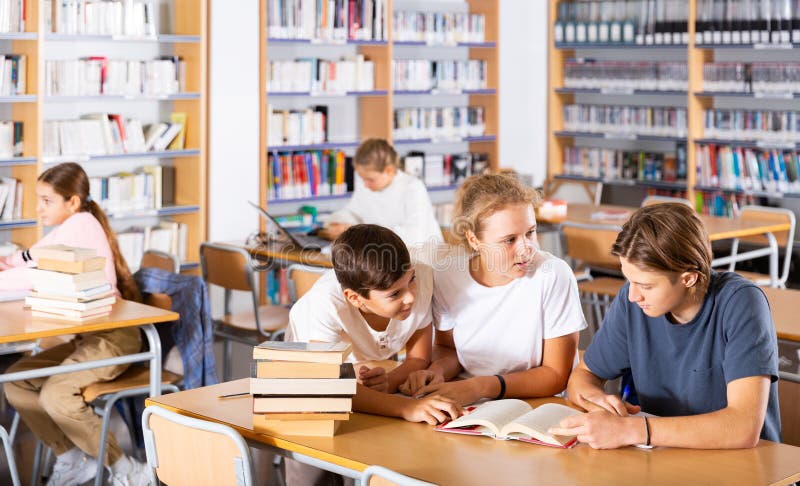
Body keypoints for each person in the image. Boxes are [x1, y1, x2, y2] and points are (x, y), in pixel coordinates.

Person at [550, 203, 780, 449]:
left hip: (747, 467)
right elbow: (583, 376)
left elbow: (742, 427)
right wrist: (598, 401)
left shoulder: (741, 302)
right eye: (629, 280)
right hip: (665, 457)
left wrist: (630, 430)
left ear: (689, 278)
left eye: (646, 286)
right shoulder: (635, 302)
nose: (632, 295)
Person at [2, 163, 151, 485]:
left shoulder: (81, 223)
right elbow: (34, 256)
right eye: (38, 199)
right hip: (89, 338)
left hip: (115, 338)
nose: (38, 208)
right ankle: (70, 456)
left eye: (46, 201)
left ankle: (127, 468)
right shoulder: (72, 225)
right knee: (16, 381)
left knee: (56, 395)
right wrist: (8, 261)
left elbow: (36, 269)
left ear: (72, 202)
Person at [285, 224, 461, 486]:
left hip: (362, 359)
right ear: (355, 298)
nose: (410, 297)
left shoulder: (421, 278)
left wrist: (389, 382)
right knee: (311, 460)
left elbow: (418, 358)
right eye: (395, 294)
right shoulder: (325, 304)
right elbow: (327, 386)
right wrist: (406, 407)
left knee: (364, 443)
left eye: (410, 280)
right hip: (309, 359)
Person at [404, 174, 587, 405]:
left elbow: (556, 375)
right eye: (509, 240)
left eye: (530, 233)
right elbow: (447, 348)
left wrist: (480, 386)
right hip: (467, 399)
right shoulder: (447, 277)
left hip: (534, 403)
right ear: (473, 239)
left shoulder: (553, 275)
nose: (525, 249)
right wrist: (438, 371)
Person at [324, 138, 443, 247]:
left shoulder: (413, 188)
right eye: (362, 178)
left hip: (422, 259)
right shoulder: (366, 187)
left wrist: (363, 233)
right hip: (382, 256)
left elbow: (414, 236)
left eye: (370, 179)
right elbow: (352, 213)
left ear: (389, 170)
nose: (365, 184)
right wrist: (337, 223)